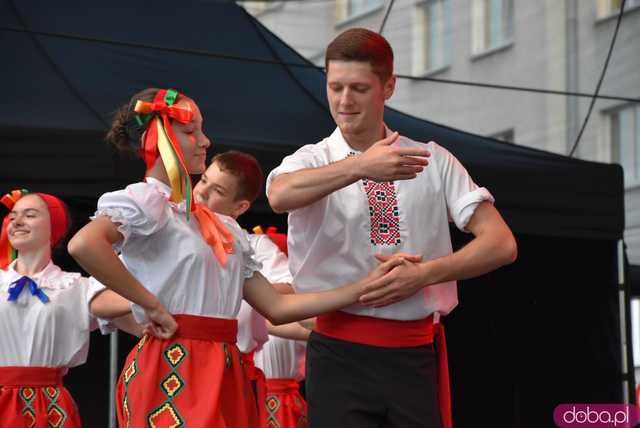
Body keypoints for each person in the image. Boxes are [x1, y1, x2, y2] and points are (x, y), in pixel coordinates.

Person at [67, 88, 407, 428]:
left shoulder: (222, 226)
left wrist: (362, 287)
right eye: (191, 131)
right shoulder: (149, 202)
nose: (205, 140)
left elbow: (277, 307)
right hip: (173, 365)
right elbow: (85, 244)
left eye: (201, 129)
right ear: (162, 141)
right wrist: (150, 305)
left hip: (225, 367)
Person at [266, 28, 518, 428]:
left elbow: (501, 244)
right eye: (335, 87)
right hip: (336, 351)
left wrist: (425, 274)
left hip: (412, 354)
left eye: (358, 88)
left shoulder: (432, 159)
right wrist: (359, 167)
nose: (344, 101)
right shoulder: (313, 158)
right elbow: (279, 195)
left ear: (389, 87)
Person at [194, 150, 312, 428]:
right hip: (183, 365)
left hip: (235, 373)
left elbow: (290, 287)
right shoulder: (175, 231)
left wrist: (243, 290)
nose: (202, 193)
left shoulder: (252, 246)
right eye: (202, 181)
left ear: (240, 207)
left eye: (218, 190)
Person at [0, 189, 137, 427]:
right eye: (13, 216)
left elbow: (137, 303)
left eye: (30, 215)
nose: (17, 221)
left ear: (54, 225)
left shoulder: (77, 288)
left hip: (48, 406)